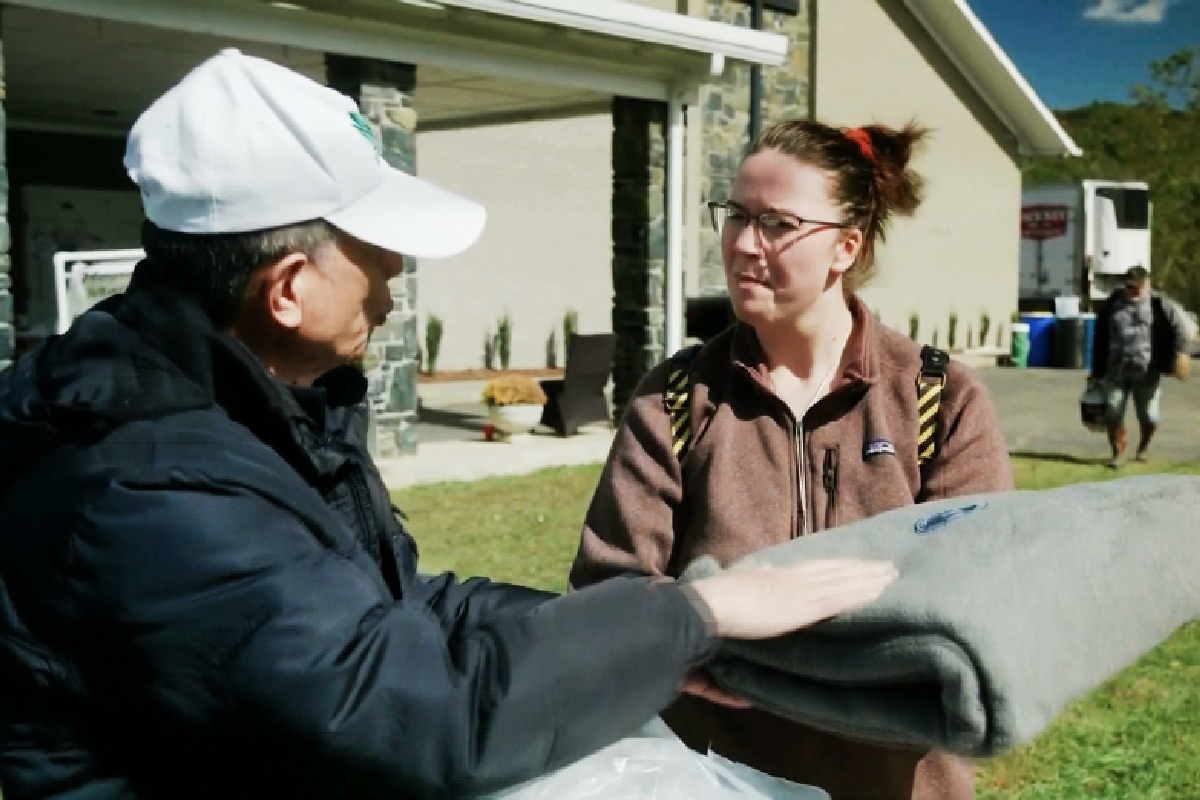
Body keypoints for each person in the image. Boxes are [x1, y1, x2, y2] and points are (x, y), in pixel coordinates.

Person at [0, 51, 899, 800]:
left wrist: (656, 633)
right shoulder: (145, 482)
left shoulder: (254, 411)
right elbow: (405, 708)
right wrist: (695, 614)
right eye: (374, 254)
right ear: (287, 290)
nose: (394, 283)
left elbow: (398, 606)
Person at [569, 119, 1013, 800]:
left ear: (845, 246)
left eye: (777, 224)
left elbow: (976, 602)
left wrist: (734, 622)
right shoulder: (678, 397)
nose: (744, 244)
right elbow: (608, 595)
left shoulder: (937, 398)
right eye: (736, 216)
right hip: (716, 780)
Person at [1089, 264, 1191, 468]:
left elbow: (1180, 330)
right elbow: (1100, 338)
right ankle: (1118, 453)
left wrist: (1181, 355)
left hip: (1147, 371)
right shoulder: (1112, 304)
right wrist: (1096, 371)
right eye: (1130, 287)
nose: (1134, 291)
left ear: (1147, 284)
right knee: (1113, 413)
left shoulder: (1159, 303)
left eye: (1138, 287)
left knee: (1149, 416)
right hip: (1116, 370)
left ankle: (1144, 446)